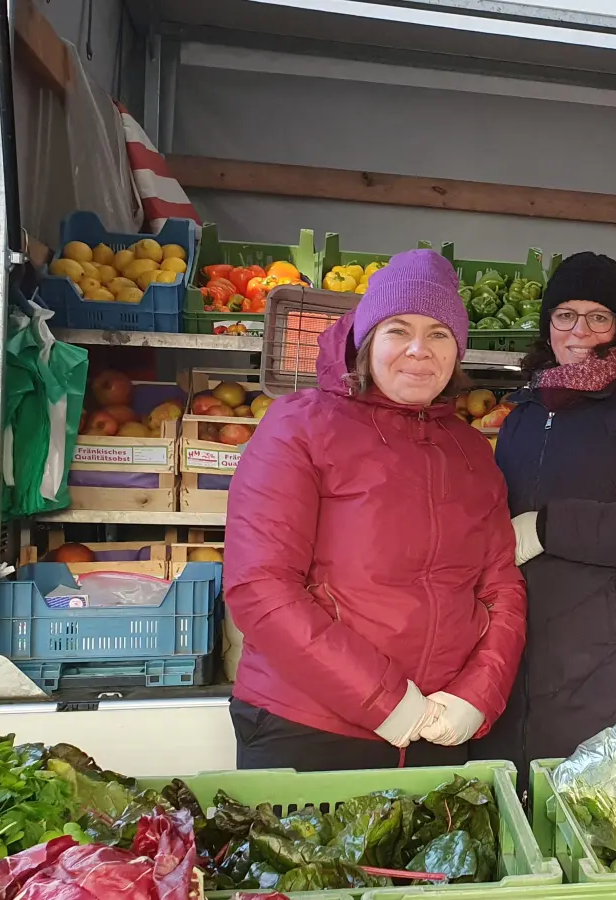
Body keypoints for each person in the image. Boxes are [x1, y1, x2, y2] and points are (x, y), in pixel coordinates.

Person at [223, 248, 527, 771]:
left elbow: (500, 587)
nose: (418, 349)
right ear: (365, 341)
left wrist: (477, 696)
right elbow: (262, 586)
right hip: (309, 727)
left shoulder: (472, 452)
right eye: (397, 330)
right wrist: (385, 701)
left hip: (439, 730)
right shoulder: (300, 425)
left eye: (439, 333)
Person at [474, 252, 616, 781]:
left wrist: (547, 527)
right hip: (523, 658)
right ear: (548, 324)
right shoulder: (525, 412)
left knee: (603, 829)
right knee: (527, 822)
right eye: (565, 315)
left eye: (598, 317)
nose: (580, 330)